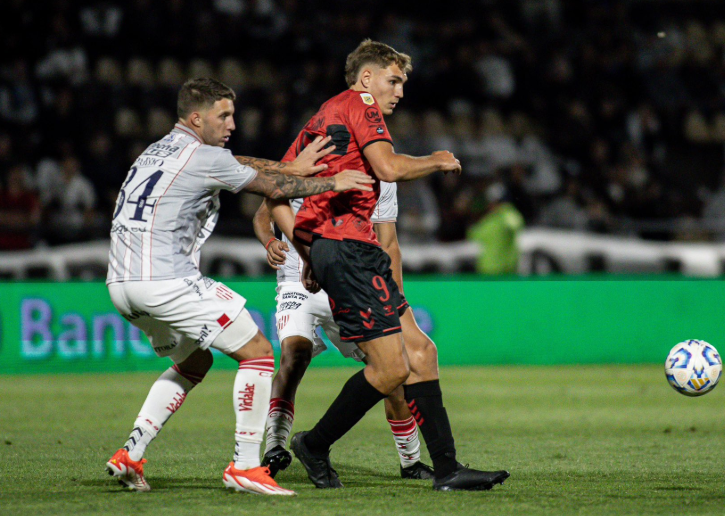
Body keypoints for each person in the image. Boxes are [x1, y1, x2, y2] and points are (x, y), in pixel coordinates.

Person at [104, 77, 374, 496]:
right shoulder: (203, 156)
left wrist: (290, 165)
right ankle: (245, 466)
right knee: (259, 353)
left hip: (121, 285)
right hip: (165, 281)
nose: (233, 122)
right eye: (223, 115)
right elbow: (272, 188)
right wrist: (330, 181)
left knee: (195, 364)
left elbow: (240, 162)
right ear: (197, 117)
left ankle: (130, 453)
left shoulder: (157, 150)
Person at [283, 39, 509, 491]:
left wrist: (308, 251)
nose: (400, 91)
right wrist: (435, 160)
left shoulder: (325, 115)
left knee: (421, 353)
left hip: (351, 250)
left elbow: (280, 183)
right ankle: (314, 444)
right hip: (347, 249)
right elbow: (387, 167)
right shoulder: (360, 103)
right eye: (394, 80)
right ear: (367, 78)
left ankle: (447, 469)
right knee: (390, 370)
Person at [252, 181, 434, 482]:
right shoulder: (306, 160)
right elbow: (263, 214)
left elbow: (389, 243)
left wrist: (396, 299)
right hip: (297, 284)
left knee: (392, 369)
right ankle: (274, 447)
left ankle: (411, 461)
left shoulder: (383, 177)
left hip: (350, 284)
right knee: (295, 354)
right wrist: (270, 242)